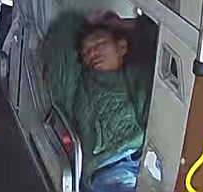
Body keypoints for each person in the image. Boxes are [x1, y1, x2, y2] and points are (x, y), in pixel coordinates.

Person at [44, 10, 154, 192]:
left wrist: (125, 25)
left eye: (100, 44)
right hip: (108, 169)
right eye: (85, 53)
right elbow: (60, 42)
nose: (93, 53)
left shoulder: (136, 74)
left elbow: (160, 38)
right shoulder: (78, 88)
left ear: (121, 48)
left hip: (148, 159)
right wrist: (84, 20)